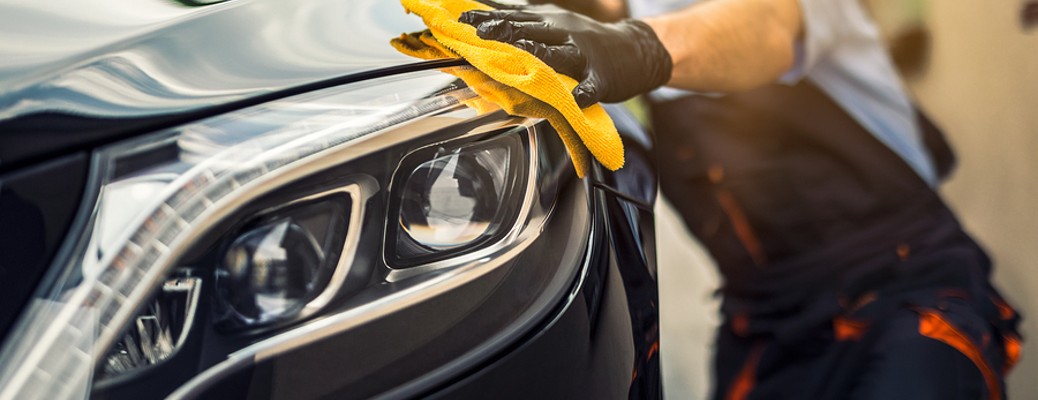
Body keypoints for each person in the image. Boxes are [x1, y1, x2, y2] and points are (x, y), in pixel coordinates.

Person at [460, 0, 1022, 399]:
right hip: (766, 331)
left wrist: (637, 48)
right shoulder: (595, 58)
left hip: (905, 299)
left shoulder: (713, 24)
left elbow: (769, 26)